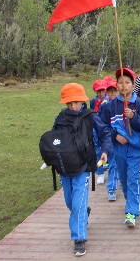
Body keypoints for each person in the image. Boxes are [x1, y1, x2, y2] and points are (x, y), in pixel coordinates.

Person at [55, 83, 111, 256]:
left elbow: (105, 134)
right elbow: (54, 137)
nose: (73, 106)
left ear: (82, 101)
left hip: (84, 166)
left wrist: (105, 151)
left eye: (76, 102)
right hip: (65, 166)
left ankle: (79, 239)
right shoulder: (61, 117)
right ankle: (83, 213)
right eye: (69, 103)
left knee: (78, 203)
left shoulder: (90, 116)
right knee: (70, 202)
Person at [100, 68, 140, 227]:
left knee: (133, 178)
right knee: (123, 178)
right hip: (119, 148)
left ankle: (131, 211)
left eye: (127, 83)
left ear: (133, 85)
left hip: (135, 148)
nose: (123, 86)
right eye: (120, 83)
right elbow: (103, 127)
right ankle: (131, 203)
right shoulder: (110, 106)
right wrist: (115, 135)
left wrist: (133, 117)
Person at [98, 77, 120, 201]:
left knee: (122, 165)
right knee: (113, 164)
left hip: (123, 139)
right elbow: (101, 124)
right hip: (109, 139)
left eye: (114, 91)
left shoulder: (124, 104)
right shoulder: (104, 106)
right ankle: (111, 188)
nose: (112, 93)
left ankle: (122, 181)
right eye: (110, 91)